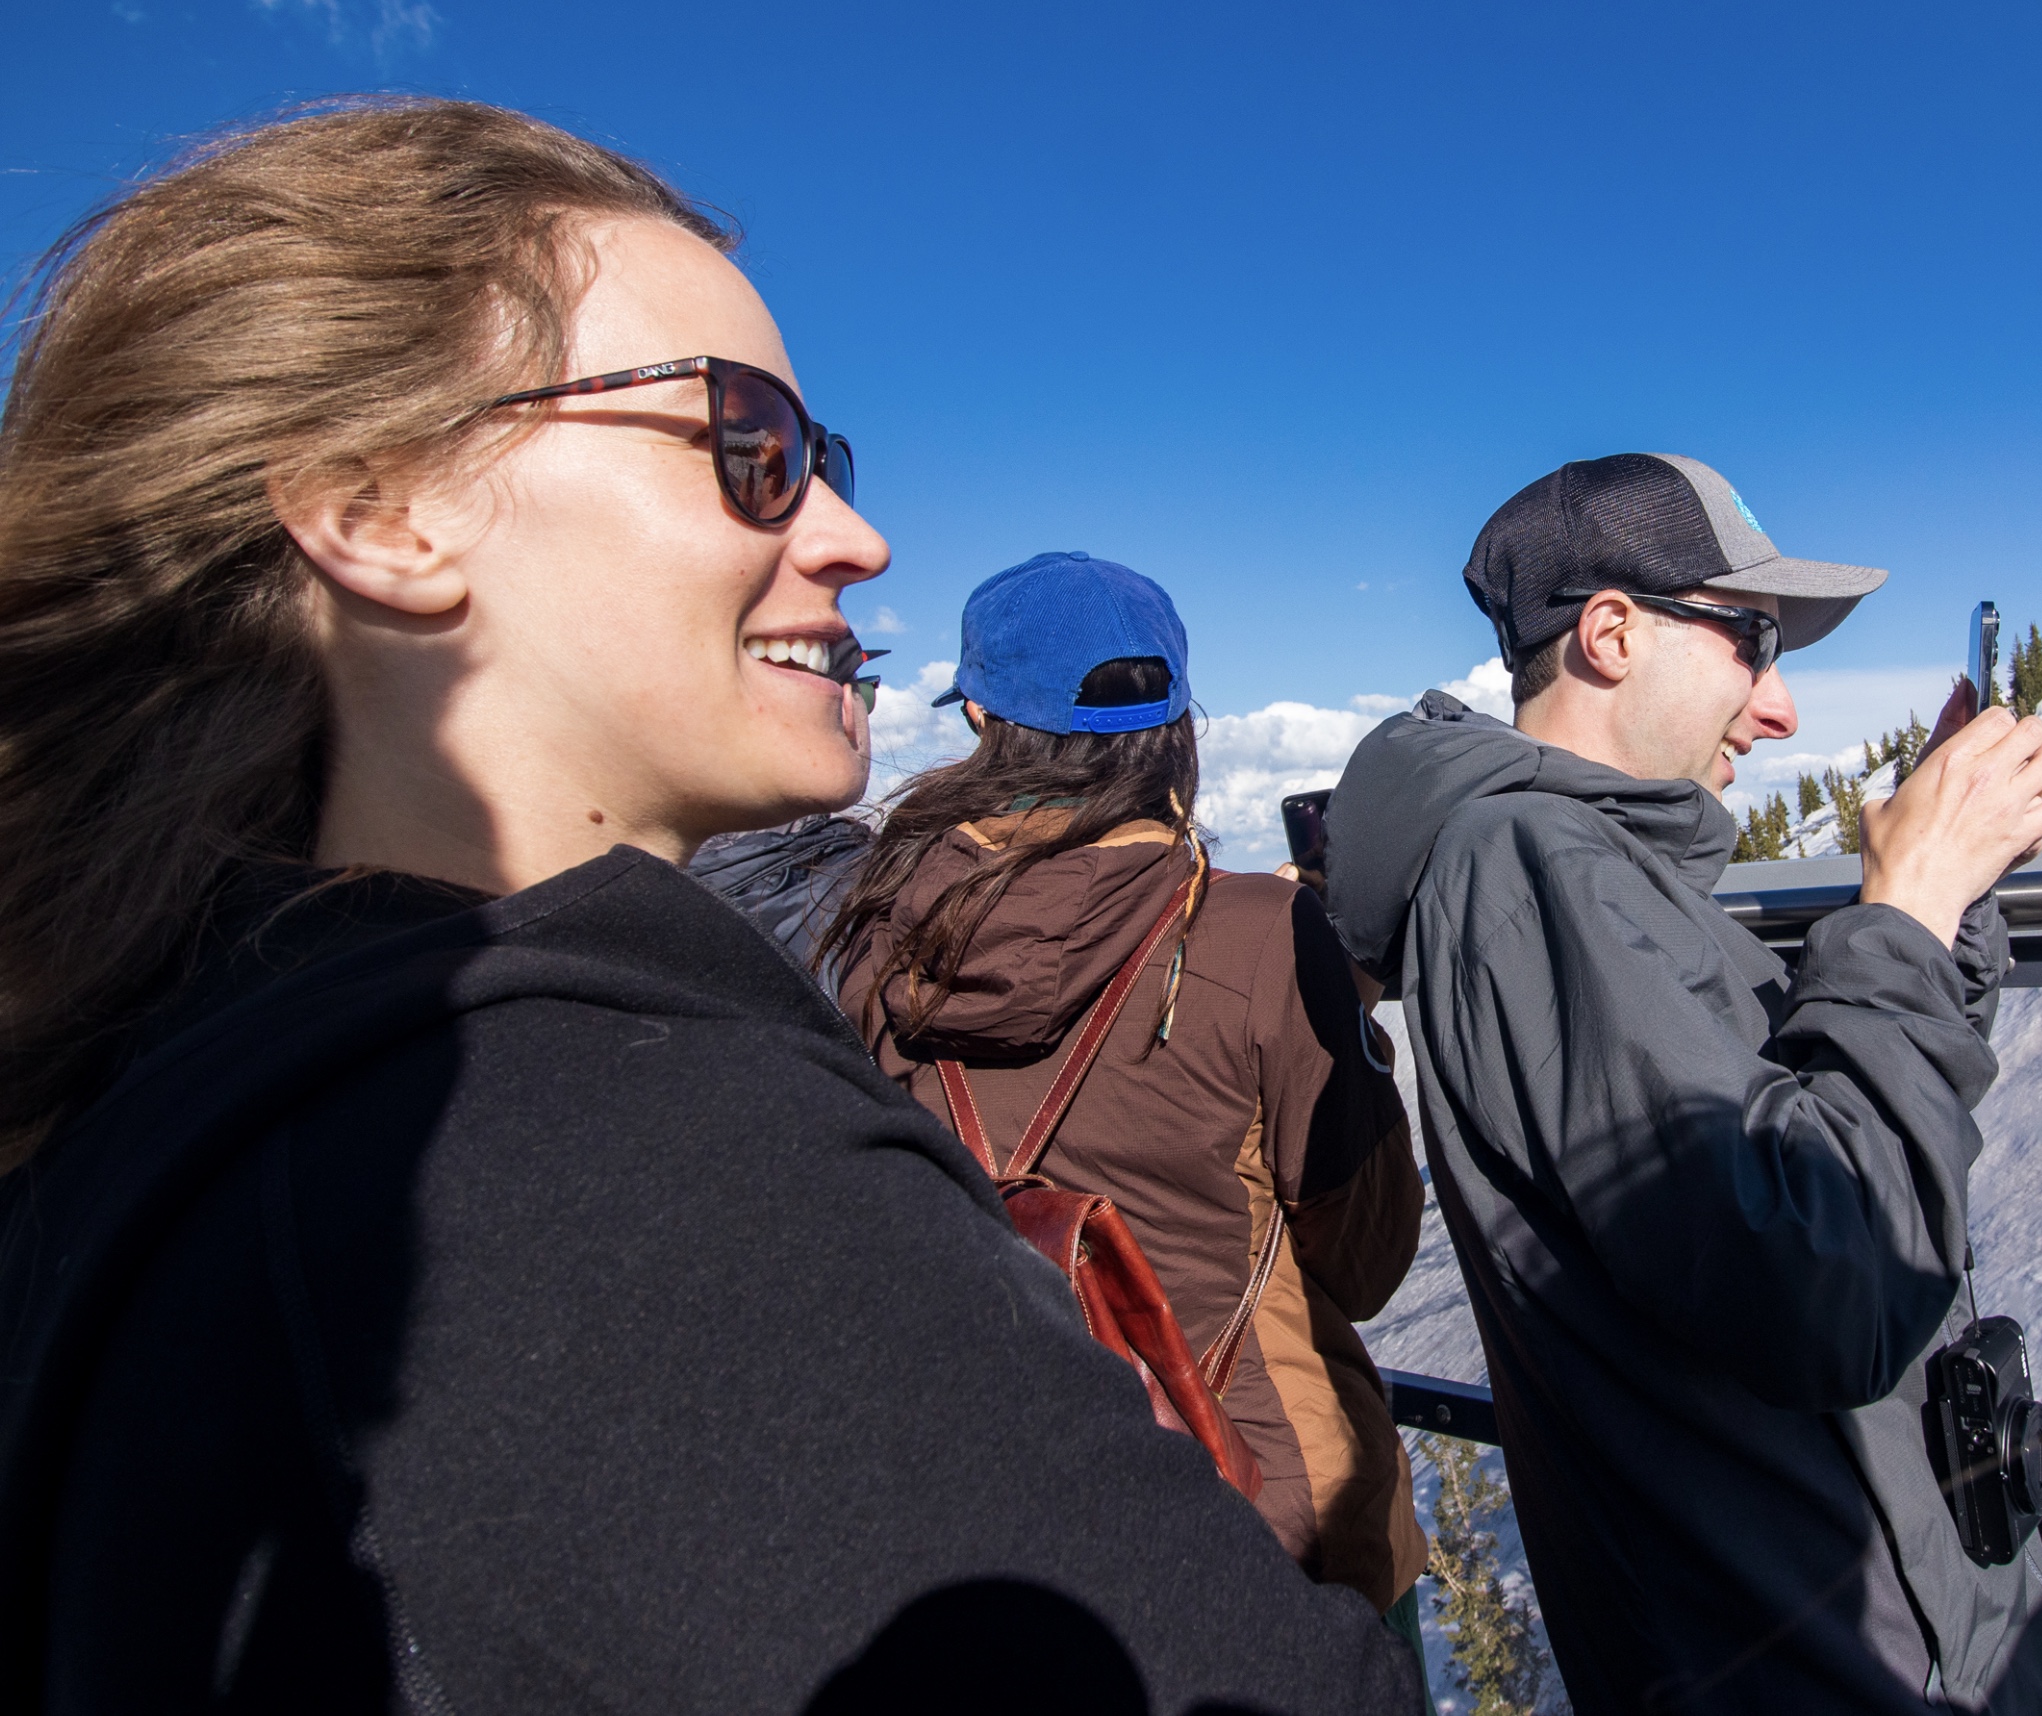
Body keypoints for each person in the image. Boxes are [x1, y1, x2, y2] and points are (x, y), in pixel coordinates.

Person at [0, 99, 1418, 1713]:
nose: (853, 536)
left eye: (825, 462)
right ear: (381, 510)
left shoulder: (162, 1098)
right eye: (748, 447)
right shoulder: (617, 1153)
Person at [1320, 453, 2042, 1713]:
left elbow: (1811, 1127)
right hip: (1818, 1663)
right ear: (1610, 634)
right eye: (1750, 643)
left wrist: (1939, 911)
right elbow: (1825, 1273)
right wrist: (1902, 914)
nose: (1777, 709)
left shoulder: (1603, 870)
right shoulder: (1532, 867)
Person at [798, 552, 1431, 1648]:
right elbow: (1366, 1261)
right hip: (1275, 1519)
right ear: (1176, 724)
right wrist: (1342, 1013)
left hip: (1008, 1510)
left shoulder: (865, 933)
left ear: (983, 720)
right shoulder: (1250, 933)